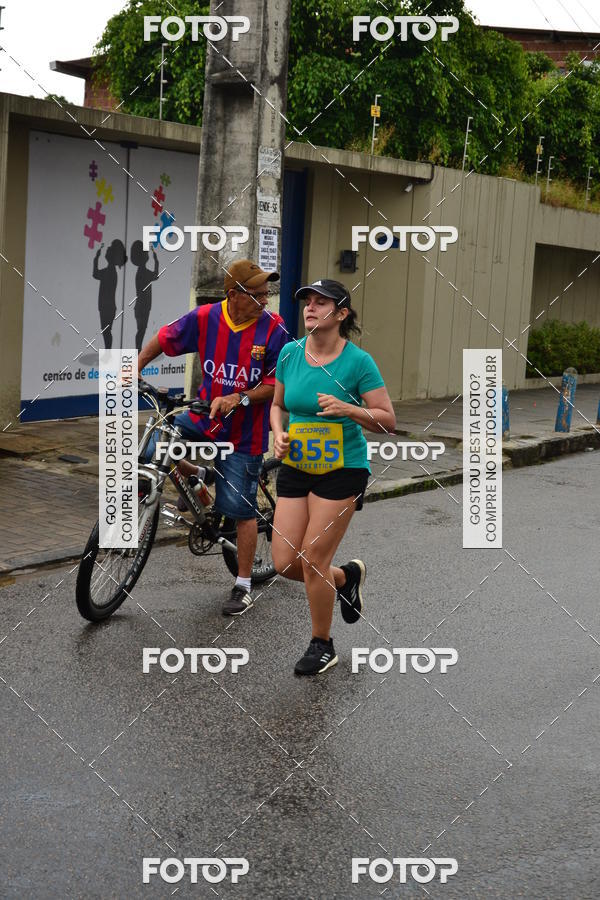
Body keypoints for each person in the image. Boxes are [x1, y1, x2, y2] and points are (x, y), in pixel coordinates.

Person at [138, 259, 287, 615]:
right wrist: (135, 365)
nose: (265, 301)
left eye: (268, 294)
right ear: (234, 295)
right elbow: (165, 337)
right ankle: (200, 482)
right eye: (258, 295)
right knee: (156, 447)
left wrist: (241, 397)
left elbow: (278, 383)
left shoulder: (274, 329)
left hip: (244, 432)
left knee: (240, 510)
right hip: (205, 415)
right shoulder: (205, 317)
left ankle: (243, 584)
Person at [270, 279, 396, 676]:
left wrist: (349, 409)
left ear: (341, 314)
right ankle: (345, 579)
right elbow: (277, 405)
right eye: (307, 301)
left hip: (343, 469)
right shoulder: (290, 353)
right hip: (297, 465)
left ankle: (322, 644)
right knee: (284, 563)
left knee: (312, 558)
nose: (309, 307)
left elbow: (387, 421)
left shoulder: (359, 362)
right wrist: (279, 434)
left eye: (321, 303)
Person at [93, 239, 128, 349]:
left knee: (106, 331)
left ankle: (108, 354)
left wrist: (96, 258)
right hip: (107, 307)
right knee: (106, 331)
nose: (107, 251)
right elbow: (96, 274)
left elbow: (96, 274)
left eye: (109, 250)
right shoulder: (110, 271)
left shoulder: (110, 272)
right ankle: (108, 353)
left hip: (107, 308)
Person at [130, 240, 159, 352]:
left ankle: (138, 350)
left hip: (142, 307)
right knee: (141, 329)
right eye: (146, 254)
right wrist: (156, 259)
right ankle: (138, 350)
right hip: (142, 307)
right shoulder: (143, 272)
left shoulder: (141, 271)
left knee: (141, 329)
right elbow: (155, 275)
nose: (147, 255)